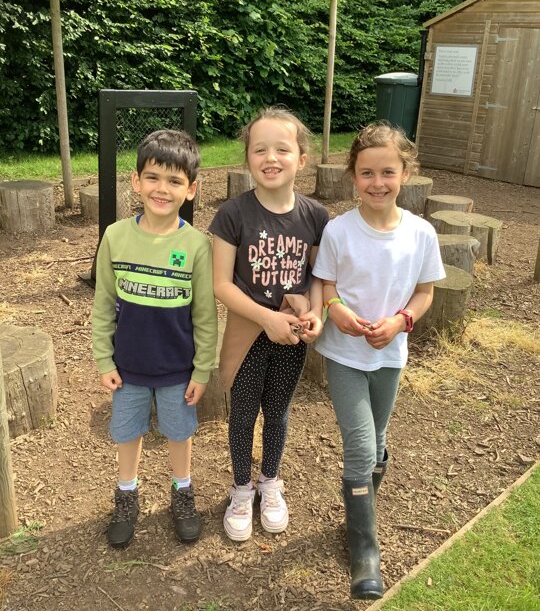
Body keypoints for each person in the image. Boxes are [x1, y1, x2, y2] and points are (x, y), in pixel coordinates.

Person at [312, 122, 445, 599]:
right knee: (361, 445)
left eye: (388, 172)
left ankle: (357, 515)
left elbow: (425, 292)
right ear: (353, 176)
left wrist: (401, 321)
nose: (377, 182)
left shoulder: (421, 233)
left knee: (379, 439)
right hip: (344, 353)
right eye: (366, 173)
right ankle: (365, 551)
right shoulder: (338, 230)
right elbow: (326, 283)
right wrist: (335, 310)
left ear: (405, 173)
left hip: (390, 353)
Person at [92, 129, 217, 549]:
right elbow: (103, 303)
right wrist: (104, 359)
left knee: (179, 432)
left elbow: (205, 315)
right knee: (128, 432)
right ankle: (127, 494)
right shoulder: (115, 236)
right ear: (136, 181)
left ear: (191, 189)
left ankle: (182, 491)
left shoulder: (196, 245)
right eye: (153, 177)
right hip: (127, 367)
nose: (162, 189)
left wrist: (202, 370)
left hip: (178, 369)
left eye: (174, 181)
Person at [209, 107, 329, 542]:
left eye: (282, 149)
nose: (271, 158)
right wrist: (266, 318)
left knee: (277, 413)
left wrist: (316, 314)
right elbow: (221, 283)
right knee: (242, 415)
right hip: (249, 334)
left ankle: (270, 482)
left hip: (291, 336)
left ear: (302, 158)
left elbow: (319, 276)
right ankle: (242, 489)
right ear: (247, 158)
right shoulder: (233, 214)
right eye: (259, 149)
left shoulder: (315, 216)